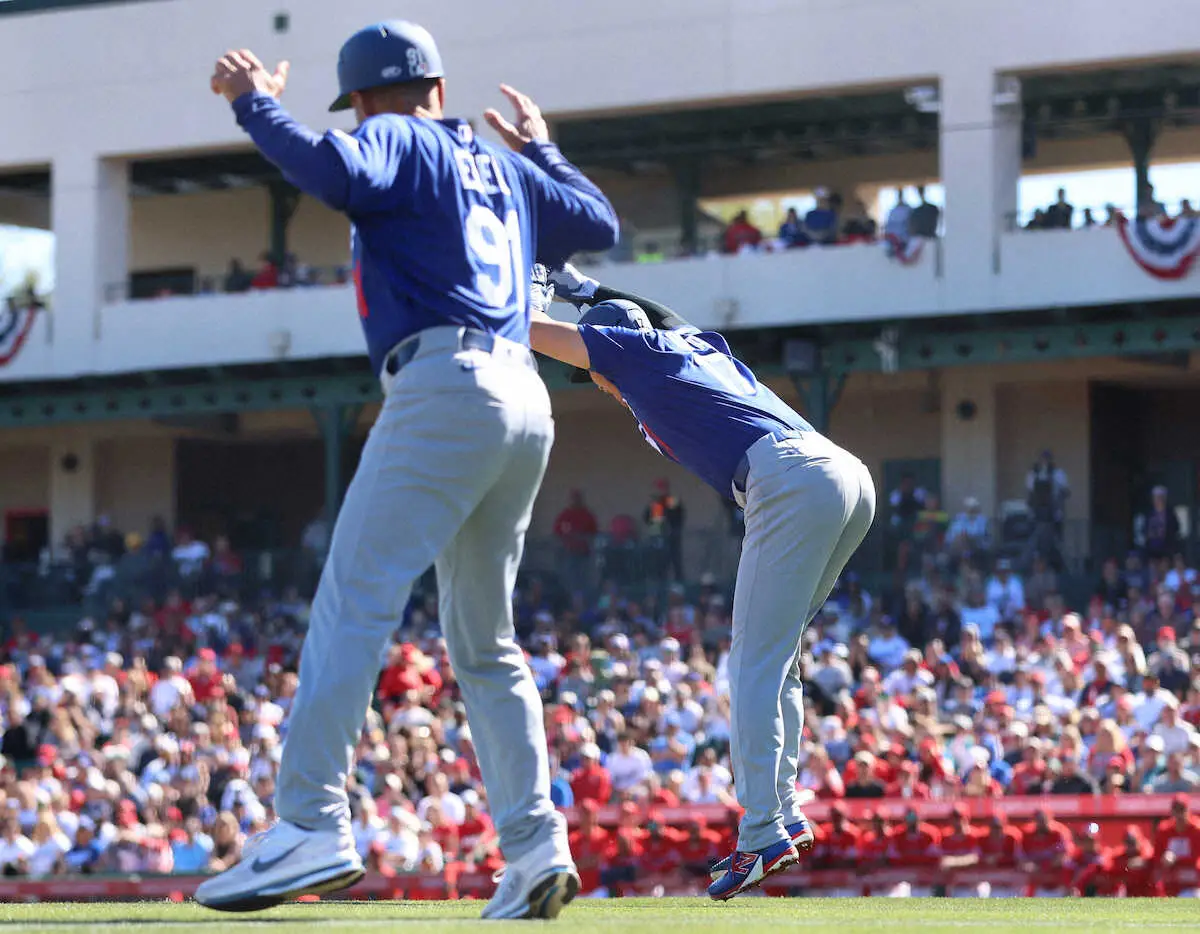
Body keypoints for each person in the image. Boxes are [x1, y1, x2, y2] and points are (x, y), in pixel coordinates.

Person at [198, 20, 618, 921]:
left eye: (354, 102)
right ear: (436, 79)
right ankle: (536, 847)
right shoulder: (496, 162)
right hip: (523, 397)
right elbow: (597, 223)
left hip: (445, 388)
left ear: (364, 94)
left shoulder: (397, 133)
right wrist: (541, 148)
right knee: (484, 642)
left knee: (354, 604)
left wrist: (252, 104)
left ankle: (309, 822)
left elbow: (332, 171)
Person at [528, 263, 875, 901]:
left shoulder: (633, 352)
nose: (595, 380)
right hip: (842, 474)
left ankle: (763, 830)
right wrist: (583, 288)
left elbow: (527, 331)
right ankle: (782, 812)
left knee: (750, 666)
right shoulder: (687, 346)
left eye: (590, 368)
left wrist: (510, 292)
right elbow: (657, 311)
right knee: (778, 662)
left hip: (790, 477)